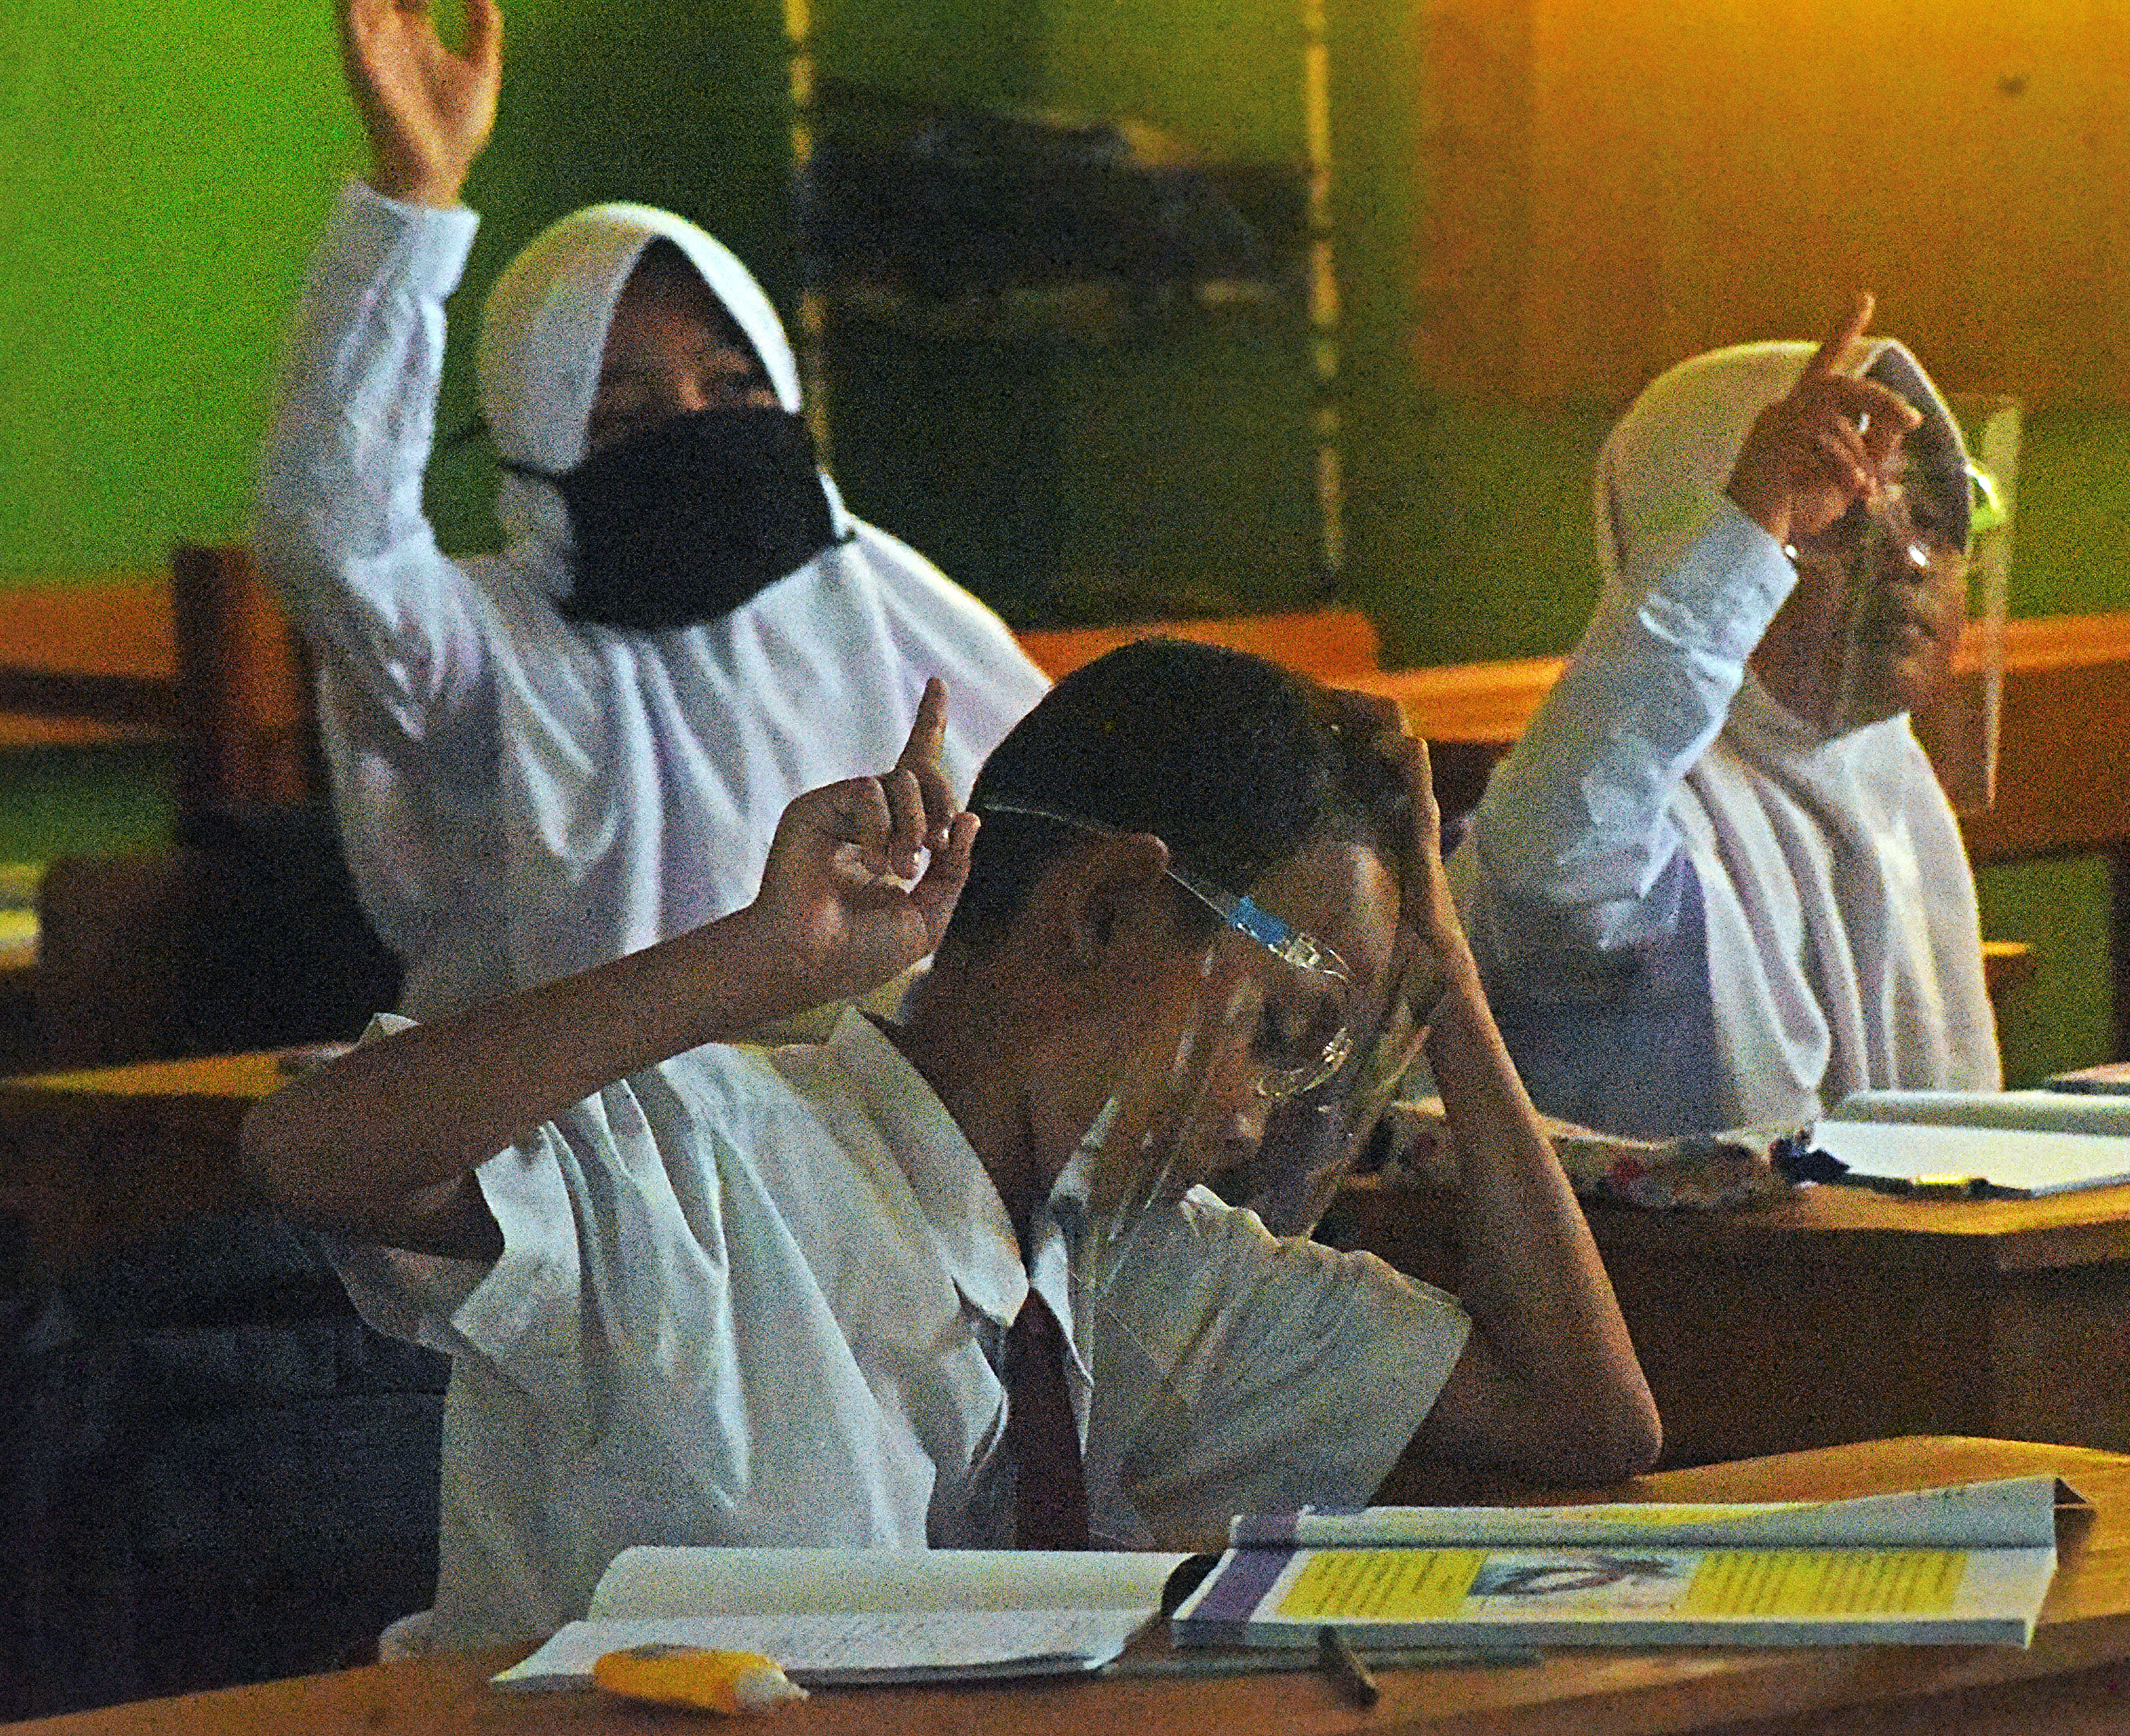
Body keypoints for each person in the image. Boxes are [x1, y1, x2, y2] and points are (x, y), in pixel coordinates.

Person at [239, 640, 1662, 1651]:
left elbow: (1583, 1416)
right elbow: (317, 1157)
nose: (1264, 1109)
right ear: (1102, 913)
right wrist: (749, 964)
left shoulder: (1122, 1267)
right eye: (1277, 1030)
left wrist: (1446, 976)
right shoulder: (711, 1160)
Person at [254, 0, 1049, 1020]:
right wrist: (412, 199)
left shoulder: (875, 599)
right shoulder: (490, 654)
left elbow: (1071, 824)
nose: (693, 429)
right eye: (620, 413)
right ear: (537, 446)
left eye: (731, 386)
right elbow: (330, 540)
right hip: (575, 1156)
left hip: (844, 1144)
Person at [1456, 296, 2002, 1138]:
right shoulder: (1640, 804)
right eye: (1839, 520)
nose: (1907, 559)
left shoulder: (1894, 789)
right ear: (1688, 542)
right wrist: (1753, 513)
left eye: (1930, 520)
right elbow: (1551, 878)